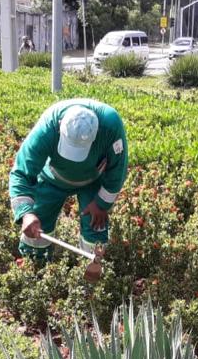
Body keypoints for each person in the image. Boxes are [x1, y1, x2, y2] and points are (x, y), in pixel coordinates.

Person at [8, 99, 128, 261]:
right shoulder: (47, 127)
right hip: (52, 178)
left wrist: (101, 203)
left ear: (97, 134)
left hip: (93, 181)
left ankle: (93, 268)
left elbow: (118, 169)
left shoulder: (111, 126)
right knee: (37, 224)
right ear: (59, 127)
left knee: (95, 228)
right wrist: (25, 212)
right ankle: (34, 264)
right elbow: (21, 172)